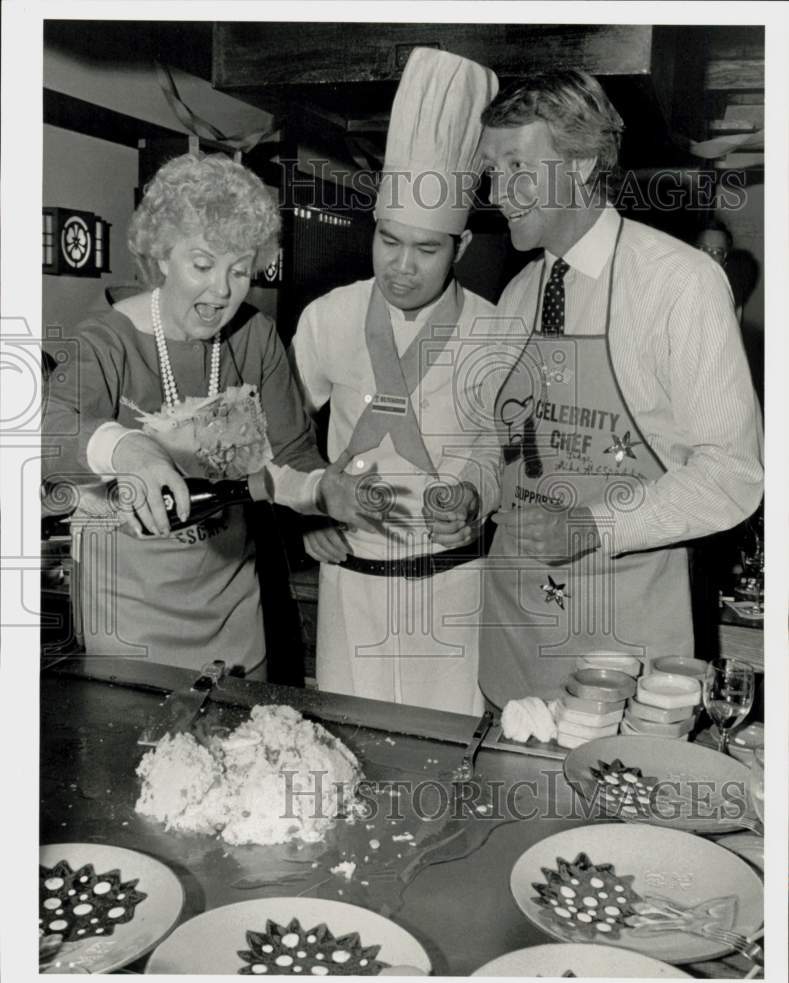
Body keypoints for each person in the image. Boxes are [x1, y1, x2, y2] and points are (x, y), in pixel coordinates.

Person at [475, 71, 763, 704]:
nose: (496, 192)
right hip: (513, 632)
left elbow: (733, 474)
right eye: (490, 170)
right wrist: (466, 491)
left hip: (621, 646)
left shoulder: (678, 283)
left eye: (516, 166)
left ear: (579, 166)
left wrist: (592, 526)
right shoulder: (519, 292)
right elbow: (511, 450)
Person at [42, 152, 373, 673]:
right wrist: (128, 447)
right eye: (202, 264)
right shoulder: (107, 341)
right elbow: (46, 429)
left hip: (233, 611)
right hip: (129, 621)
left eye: (239, 270)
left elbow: (291, 454)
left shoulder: (254, 337)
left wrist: (321, 491)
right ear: (162, 255)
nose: (222, 289)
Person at [291, 49, 501, 714]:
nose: (401, 267)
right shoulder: (327, 319)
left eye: (427, 248)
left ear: (461, 247)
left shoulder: (497, 331)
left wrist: (474, 492)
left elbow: (505, 449)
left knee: (452, 767)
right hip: (350, 588)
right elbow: (271, 443)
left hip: (455, 587)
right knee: (352, 756)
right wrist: (314, 503)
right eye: (388, 241)